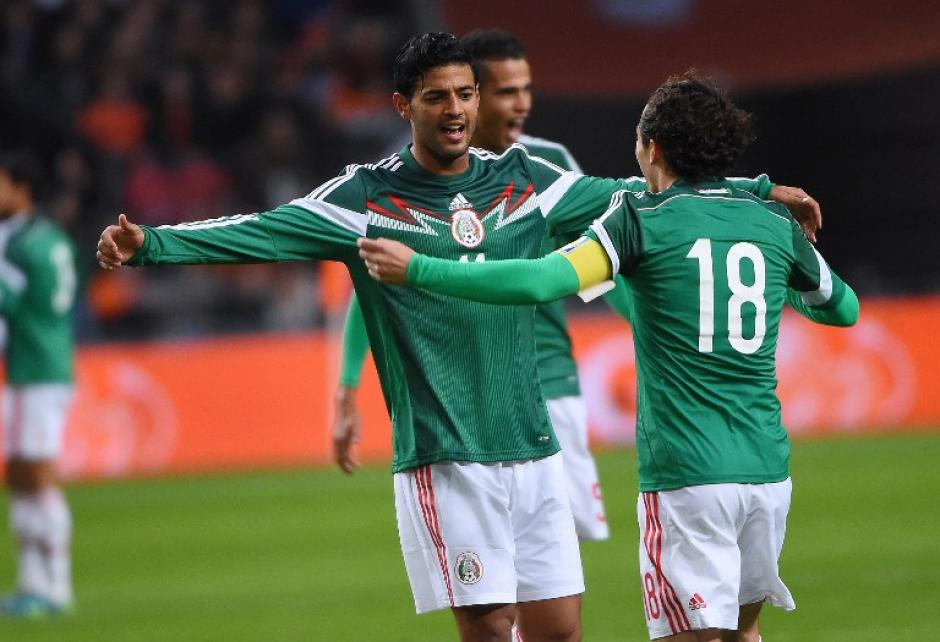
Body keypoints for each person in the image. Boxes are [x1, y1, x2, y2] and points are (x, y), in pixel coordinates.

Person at [97, 33, 819, 640]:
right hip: (446, 454)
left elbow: (642, 193)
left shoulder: (526, 179)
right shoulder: (365, 197)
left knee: (560, 627)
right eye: (437, 96)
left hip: (534, 445)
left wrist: (756, 190)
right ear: (403, 105)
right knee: (490, 626)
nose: (455, 110)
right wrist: (151, 244)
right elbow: (261, 231)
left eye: (466, 94)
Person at [356, 71, 859, 642]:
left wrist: (420, 268)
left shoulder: (639, 220)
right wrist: (776, 276)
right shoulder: (772, 223)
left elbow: (543, 280)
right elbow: (842, 309)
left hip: (688, 476)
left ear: (654, 149)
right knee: (744, 633)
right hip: (767, 473)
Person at [333, 28, 618, 542]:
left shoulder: (544, 166)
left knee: (565, 542)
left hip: (545, 381)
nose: (522, 104)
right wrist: (348, 385)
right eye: (508, 91)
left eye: (526, 90)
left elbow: (613, 253)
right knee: (494, 557)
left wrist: (652, 335)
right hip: (459, 396)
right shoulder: (409, 180)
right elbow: (372, 279)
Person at [0, 152, 78, 618]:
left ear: (22, 188)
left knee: (37, 475)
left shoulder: (19, 246)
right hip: (43, 364)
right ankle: (33, 581)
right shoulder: (49, 238)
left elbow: (11, 306)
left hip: (36, 368)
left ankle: (55, 586)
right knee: (20, 475)